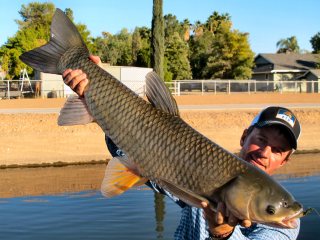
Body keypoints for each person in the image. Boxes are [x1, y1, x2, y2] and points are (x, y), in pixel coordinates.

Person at [62, 56, 301, 240]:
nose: (265, 152)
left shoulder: (287, 221)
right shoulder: (204, 168)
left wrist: (223, 234)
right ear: (245, 137)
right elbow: (148, 171)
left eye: (278, 150)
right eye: (261, 139)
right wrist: (99, 100)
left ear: (285, 160)